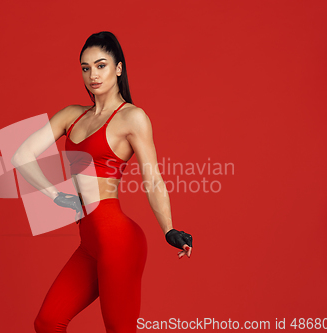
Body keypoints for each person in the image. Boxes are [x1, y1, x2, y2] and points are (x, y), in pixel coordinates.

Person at [11, 31, 193, 333]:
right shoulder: (72, 115)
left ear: (118, 68)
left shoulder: (132, 118)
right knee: (47, 322)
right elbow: (22, 155)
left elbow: (153, 178)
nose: (92, 75)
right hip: (90, 242)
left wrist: (169, 228)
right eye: (85, 68)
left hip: (118, 240)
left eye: (101, 65)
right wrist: (57, 197)